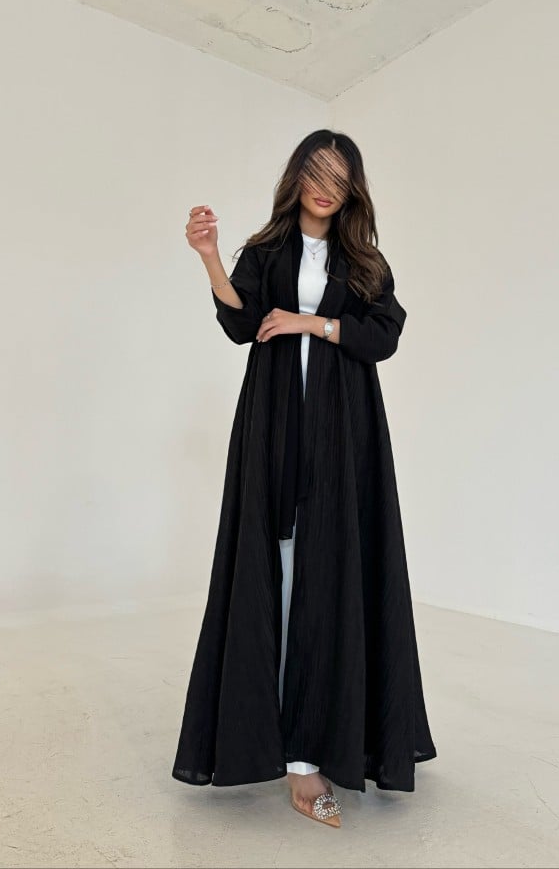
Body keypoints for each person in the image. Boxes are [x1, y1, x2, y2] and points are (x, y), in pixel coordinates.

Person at [173, 129, 437, 827]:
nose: (326, 187)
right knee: (280, 574)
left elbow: (381, 337)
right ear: (296, 177)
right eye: (316, 172)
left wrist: (309, 323)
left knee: (335, 574)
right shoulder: (265, 251)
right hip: (275, 430)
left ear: (352, 191)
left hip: (344, 435)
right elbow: (242, 326)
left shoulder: (365, 260)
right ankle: (294, 757)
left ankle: (329, 745)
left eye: (339, 178)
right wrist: (210, 258)